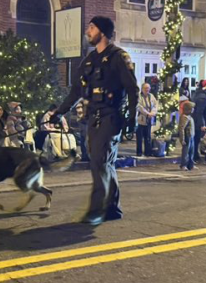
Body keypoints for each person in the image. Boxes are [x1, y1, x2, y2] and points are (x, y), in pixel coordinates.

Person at [49, 16, 139, 226]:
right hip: (93, 118)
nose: (87, 31)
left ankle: (97, 210)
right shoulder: (89, 60)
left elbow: (132, 89)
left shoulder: (118, 57)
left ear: (103, 32)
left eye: (92, 27)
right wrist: (59, 112)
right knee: (103, 162)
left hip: (111, 117)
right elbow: (76, 92)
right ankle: (112, 208)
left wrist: (132, 117)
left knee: (100, 162)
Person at [136, 83, 157, 157]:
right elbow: (139, 107)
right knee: (139, 137)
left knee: (148, 137)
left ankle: (148, 152)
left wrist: (152, 113)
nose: (147, 89)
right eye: (145, 88)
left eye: (148, 88)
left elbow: (155, 105)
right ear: (142, 89)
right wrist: (147, 113)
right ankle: (139, 152)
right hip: (141, 119)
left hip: (149, 120)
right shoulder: (139, 96)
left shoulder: (151, 96)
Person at [178, 100, 196, 171]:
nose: (193, 109)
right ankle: (184, 165)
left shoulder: (189, 117)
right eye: (192, 108)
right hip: (187, 136)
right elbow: (181, 128)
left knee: (191, 151)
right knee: (186, 152)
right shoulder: (184, 117)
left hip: (191, 136)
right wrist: (182, 139)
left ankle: (191, 164)